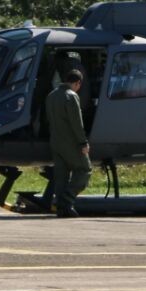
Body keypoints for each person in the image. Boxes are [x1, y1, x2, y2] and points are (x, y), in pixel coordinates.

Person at [45, 69, 91, 217]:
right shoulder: (71, 96)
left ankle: (61, 206)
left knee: (61, 176)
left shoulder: (51, 96)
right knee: (85, 169)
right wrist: (83, 142)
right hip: (70, 142)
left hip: (55, 142)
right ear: (77, 83)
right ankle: (66, 200)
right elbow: (76, 123)